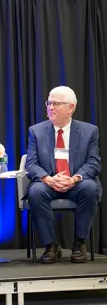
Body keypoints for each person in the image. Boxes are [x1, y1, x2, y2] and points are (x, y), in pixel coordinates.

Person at [26, 85, 101, 264]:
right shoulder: (36, 131)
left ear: (71, 108)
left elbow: (94, 163)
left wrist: (75, 178)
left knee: (90, 188)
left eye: (56, 104)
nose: (50, 107)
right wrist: (48, 179)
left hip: (76, 183)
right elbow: (31, 163)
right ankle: (51, 245)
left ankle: (79, 244)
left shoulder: (89, 131)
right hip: (48, 183)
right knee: (35, 192)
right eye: (49, 103)